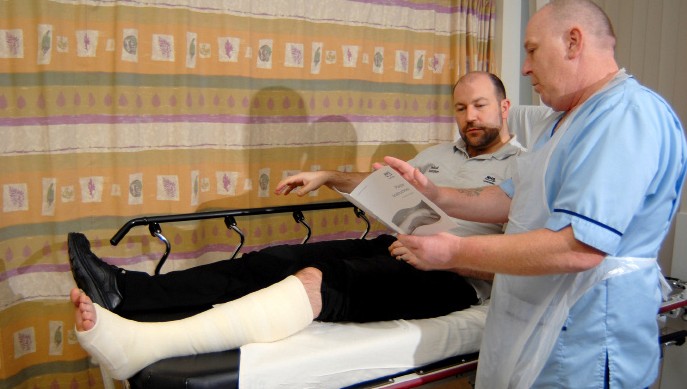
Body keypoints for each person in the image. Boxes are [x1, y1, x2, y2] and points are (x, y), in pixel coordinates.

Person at [69, 71, 524, 380]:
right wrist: (329, 176)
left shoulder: (523, 171)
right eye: (461, 108)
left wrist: (455, 258)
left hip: (450, 277)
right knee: (273, 259)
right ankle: (127, 292)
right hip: (395, 245)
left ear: (504, 107)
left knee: (316, 283)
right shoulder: (439, 156)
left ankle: (146, 344)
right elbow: (382, 186)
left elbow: (521, 263)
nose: (470, 117)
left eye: (480, 106)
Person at [382, 1, 687, 388]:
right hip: (535, 326)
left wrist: (453, 253)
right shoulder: (559, 123)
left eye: (531, 50)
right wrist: (436, 193)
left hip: (586, 337)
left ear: (573, 42)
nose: (525, 68)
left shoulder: (624, 116)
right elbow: (511, 199)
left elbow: (578, 248)